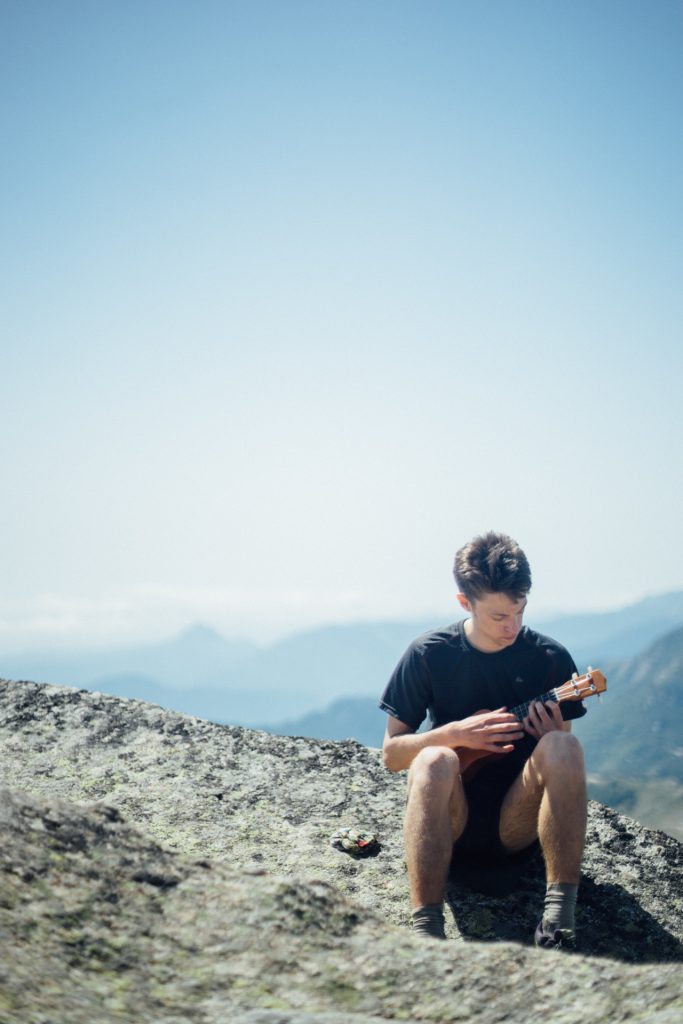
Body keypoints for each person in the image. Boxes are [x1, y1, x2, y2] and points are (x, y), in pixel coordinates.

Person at [378, 531, 587, 949]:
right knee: (433, 759)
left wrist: (550, 735)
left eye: (520, 611)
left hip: (517, 822)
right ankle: (427, 929)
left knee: (564, 746)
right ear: (465, 602)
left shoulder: (550, 658)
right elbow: (392, 755)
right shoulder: (429, 654)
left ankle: (559, 919)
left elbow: (559, 761)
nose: (513, 626)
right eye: (499, 616)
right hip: (449, 822)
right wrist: (453, 734)